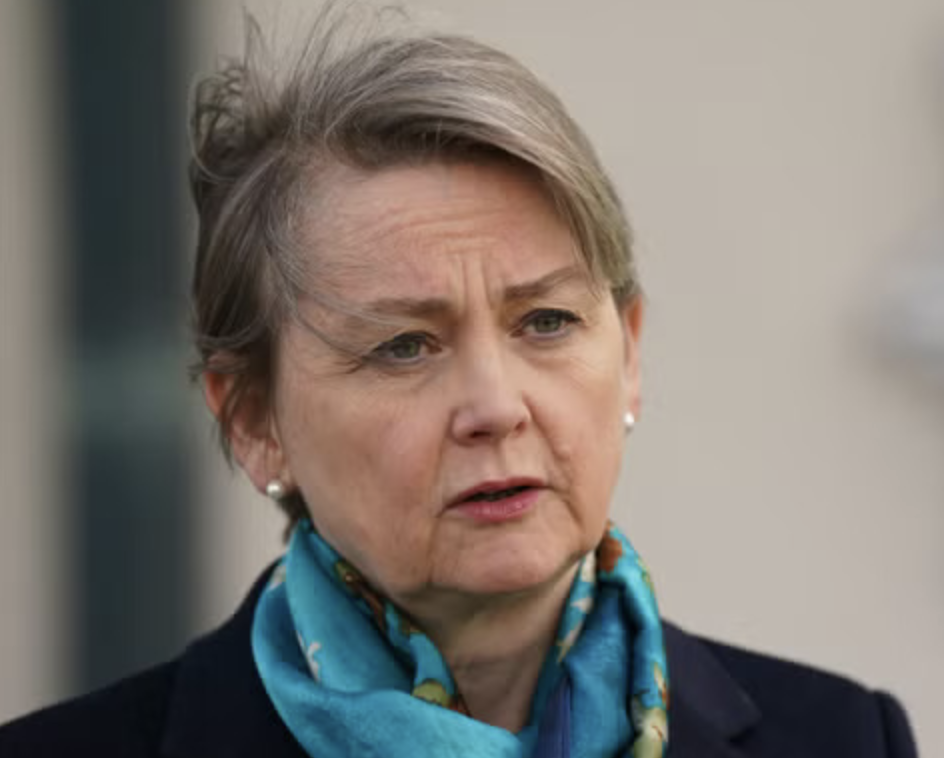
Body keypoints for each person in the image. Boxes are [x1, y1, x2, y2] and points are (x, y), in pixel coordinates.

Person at [0, 4, 919, 757]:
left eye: (546, 322)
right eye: (404, 346)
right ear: (251, 419)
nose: (495, 407)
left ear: (630, 354)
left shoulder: (842, 738)